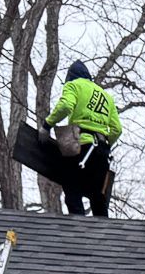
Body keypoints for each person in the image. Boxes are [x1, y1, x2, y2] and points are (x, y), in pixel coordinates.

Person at [46, 60, 122, 217]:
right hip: (101, 153)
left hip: (80, 147)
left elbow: (66, 106)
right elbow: (117, 129)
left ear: (70, 77)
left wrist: (47, 125)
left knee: (72, 191)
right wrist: (105, 144)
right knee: (98, 200)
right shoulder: (106, 96)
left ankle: (77, 234)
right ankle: (102, 238)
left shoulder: (74, 85)